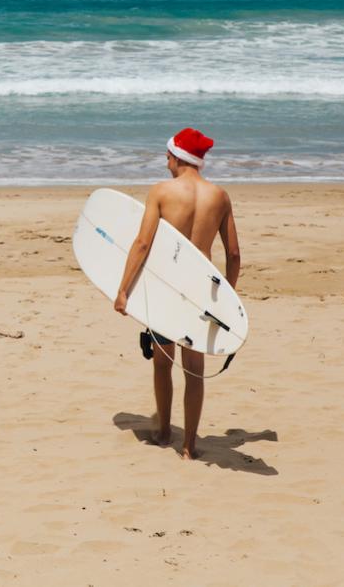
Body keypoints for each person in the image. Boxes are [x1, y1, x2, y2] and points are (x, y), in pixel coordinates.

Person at [113, 128, 241, 460]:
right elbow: (235, 255)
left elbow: (142, 244)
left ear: (177, 156)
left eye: (167, 155)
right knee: (194, 370)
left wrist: (123, 291)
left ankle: (165, 431)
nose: (165, 161)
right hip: (200, 293)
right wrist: (228, 299)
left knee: (161, 363)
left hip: (166, 290)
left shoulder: (161, 192)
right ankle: (189, 447)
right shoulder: (220, 196)